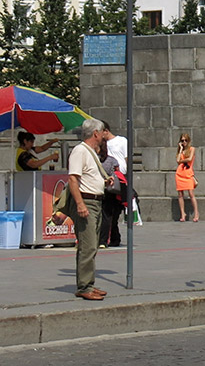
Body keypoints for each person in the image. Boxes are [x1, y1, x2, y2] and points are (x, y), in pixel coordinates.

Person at [67, 118, 113, 300]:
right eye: (102, 132)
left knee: (91, 246)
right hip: (87, 202)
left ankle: (88, 283)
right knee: (88, 246)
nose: (103, 136)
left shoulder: (89, 152)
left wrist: (103, 180)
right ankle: (85, 286)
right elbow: (73, 179)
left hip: (95, 202)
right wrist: (80, 204)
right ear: (96, 133)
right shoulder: (80, 151)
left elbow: (87, 176)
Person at [101, 121, 128, 246]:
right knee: (108, 212)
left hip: (119, 178)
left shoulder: (121, 141)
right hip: (106, 178)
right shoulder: (101, 143)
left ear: (106, 130)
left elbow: (127, 159)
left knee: (114, 210)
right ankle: (112, 238)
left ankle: (113, 237)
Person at [98, 140, 123, 248]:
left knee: (103, 216)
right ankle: (112, 238)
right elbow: (118, 173)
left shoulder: (94, 160)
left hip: (98, 189)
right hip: (111, 191)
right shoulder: (112, 160)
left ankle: (102, 240)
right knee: (109, 217)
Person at [175, 133, 199, 222]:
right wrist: (181, 149)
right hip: (180, 173)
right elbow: (177, 160)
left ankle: (196, 213)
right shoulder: (180, 151)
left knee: (191, 193)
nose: (184, 142)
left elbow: (189, 159)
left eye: (185, 140)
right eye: (182, 140)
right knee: (180, 195)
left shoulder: (192, 149)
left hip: (188, 173)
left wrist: (181, 160)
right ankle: (183, 214)